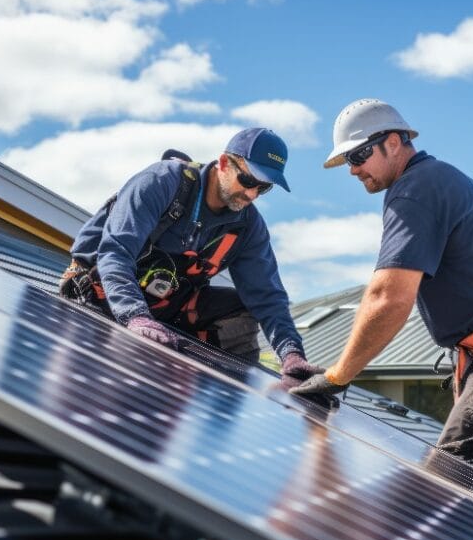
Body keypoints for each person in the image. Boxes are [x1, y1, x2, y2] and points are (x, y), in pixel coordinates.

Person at [290, 99, 473, 499]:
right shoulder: (438, 179)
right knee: (465, 498)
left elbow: (388, 298)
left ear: (392, 142)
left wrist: (338, 375)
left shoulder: (415, 190)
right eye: (348, 160)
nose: (353, 169)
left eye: (359, 155)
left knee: (443, 486)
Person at [60, 127, 320, 385]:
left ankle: (223, 396)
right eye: (248, 181)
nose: (252, 194)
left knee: (242, 310)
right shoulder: (161, 182)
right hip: (103, 292)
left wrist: (291, 354)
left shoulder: (247, 225)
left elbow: (267, 296)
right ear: (223, 163)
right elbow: (115, 252)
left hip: (167, 308)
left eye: (263, 188)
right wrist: (135, 316)